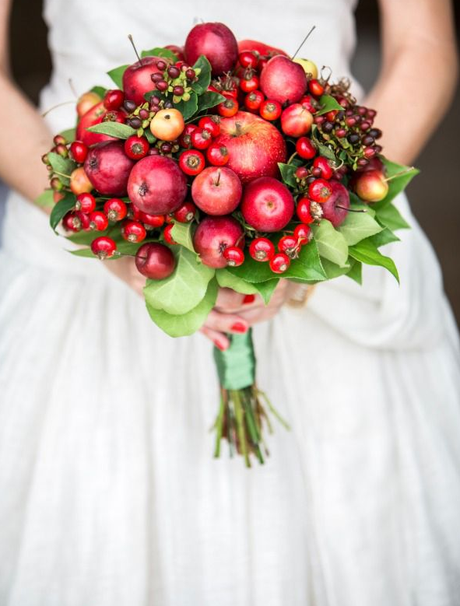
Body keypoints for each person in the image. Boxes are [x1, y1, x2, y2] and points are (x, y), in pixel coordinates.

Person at [0, 0, 459, 604]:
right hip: (94, 232)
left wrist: (328, 218)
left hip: (310, 207)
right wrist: (113, 246)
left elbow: (423, 46)